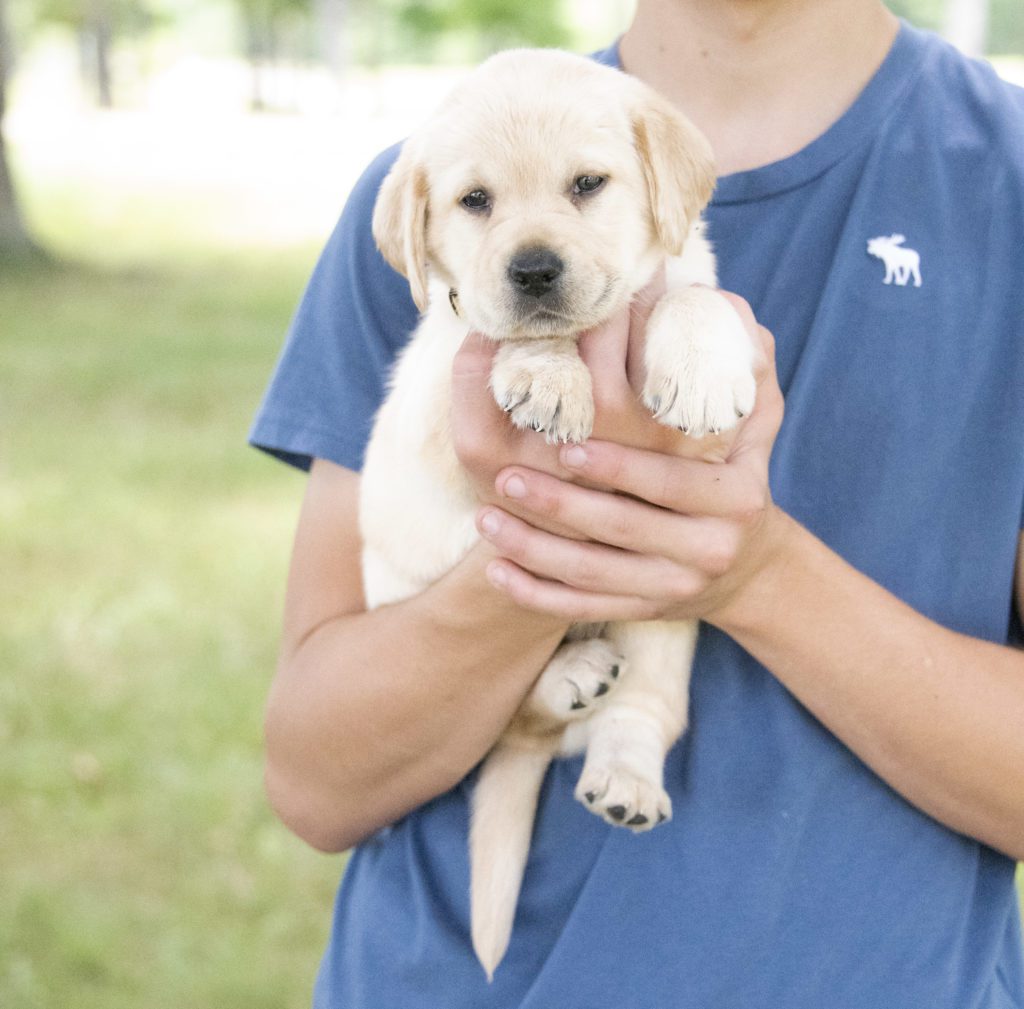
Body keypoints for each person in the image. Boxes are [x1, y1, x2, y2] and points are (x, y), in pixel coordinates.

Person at [249, 0, 1024, 1005]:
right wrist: (542, 545)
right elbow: (318, 778)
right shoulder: (435, 191)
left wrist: (751, 571)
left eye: (585, 189)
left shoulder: (1002, 185)